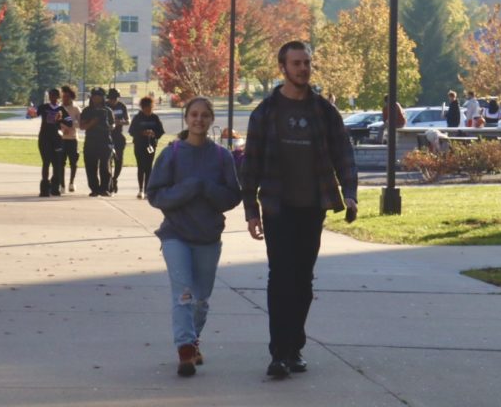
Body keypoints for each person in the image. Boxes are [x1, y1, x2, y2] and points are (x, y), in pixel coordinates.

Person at [243, 40, 358, 380]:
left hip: (313, 207)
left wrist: (349, 193)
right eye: (296, 63)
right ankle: (279, 353)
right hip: (278, 207)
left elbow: (344, 154)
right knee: (280, 278)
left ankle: (294, 347)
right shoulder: (265, 112)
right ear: (283, 68)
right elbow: (249, 166)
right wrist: (251, 211)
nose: (303, 69)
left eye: (306, 62)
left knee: (303, 280)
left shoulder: (323, 111)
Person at [147, 96, 241, 377]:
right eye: (194, 115)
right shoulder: (172, 153)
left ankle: (193, 338)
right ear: (186, 118)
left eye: (204, 115)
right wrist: (188, 188)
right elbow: (155, 195)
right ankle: (185, 348)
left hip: (208, 236)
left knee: (201, 298)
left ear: (212, 120)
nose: (199, 120)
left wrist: (207, 189)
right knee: (184, 294)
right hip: (176, 234)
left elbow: (232, 196)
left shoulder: (222, 157)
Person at [28, 88, 67, 196]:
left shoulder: (61, 109)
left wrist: (61, 119)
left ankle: (55, 188)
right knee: (46, 162)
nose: (52, 98)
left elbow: (69, 122)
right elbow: (34, 115)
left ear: (58, 97)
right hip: (45, 137)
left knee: (57, 163)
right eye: (50, 96)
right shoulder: (44, 107)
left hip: (57, 138)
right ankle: (44, 188)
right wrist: (31, 113)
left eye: (54, 96)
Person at [80, 87, 115, 196]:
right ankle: (94, 189)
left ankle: (104, 189)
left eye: (99, 97)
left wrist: (108, 126)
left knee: (105, 166)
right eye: (94, 97)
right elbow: (82, 126)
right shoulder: (87, 110)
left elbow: (113, 124)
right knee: (91, 166)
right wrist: (93, 122)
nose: (96, 99)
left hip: (105, 141)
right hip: (91, 141)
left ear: (102, 98)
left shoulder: (108, 110)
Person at [129, 96, 165, 199]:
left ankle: (147, 190)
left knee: (149, 167)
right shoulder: (137, 118)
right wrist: (142, 133)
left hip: (151, 145)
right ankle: (140, 190)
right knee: (141, 167)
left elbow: (161, 131)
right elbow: (131, 131)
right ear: (142, 107)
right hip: (139, 145)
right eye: (147, 108)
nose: (149, 110)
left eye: (151, 107)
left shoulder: (155, 118)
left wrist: (154, 133)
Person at [106, 88, 130, 194]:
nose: (113, 100)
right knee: (107, 160)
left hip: (118, 136)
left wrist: (120, 122)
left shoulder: (122, 106)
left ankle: (115, 178)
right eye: (111, 98)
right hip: (107, 136)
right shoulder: (105, 106)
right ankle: (109, 180)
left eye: (115, 98)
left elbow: (128, 120)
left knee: (118, 160)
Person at [58, 86, 81, 193]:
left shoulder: (76, 109)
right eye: (63, 96)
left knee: (73, 162)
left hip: (72, 139)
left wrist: (70, 126)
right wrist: (62, 128)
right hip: (61, 139)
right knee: (60, 163)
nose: (65, 98)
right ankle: (61, 185)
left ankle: (71, 183)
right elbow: (55, 122)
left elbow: (80, 123)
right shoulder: (58, 108)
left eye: (67, 96)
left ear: (71, 97)